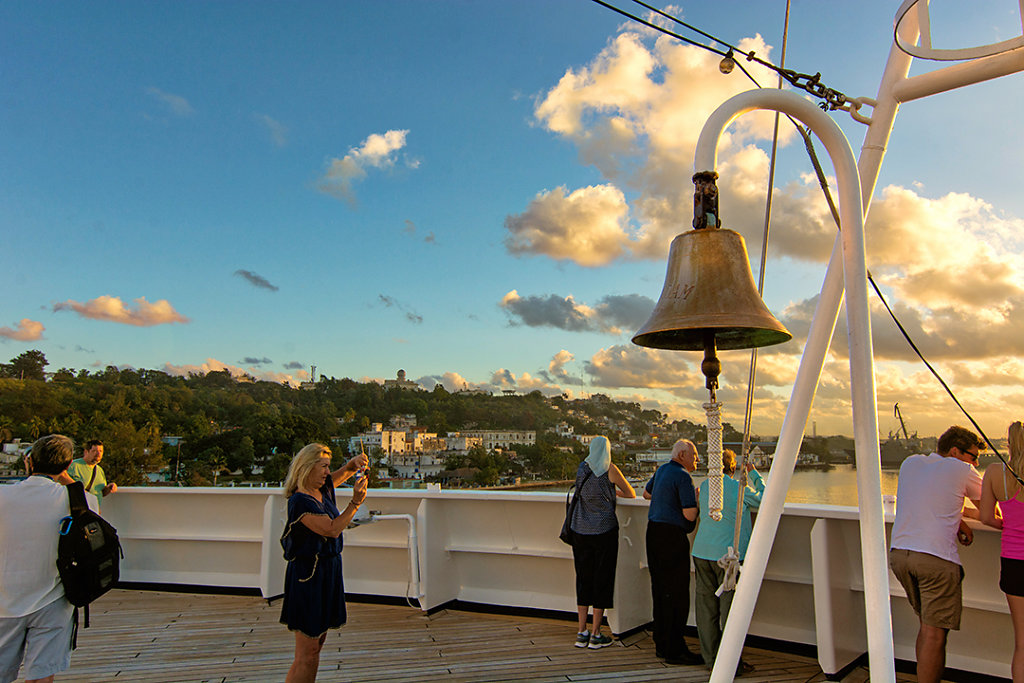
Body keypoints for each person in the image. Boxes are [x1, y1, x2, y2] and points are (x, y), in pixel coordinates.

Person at [889, 425, 984, 683]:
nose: (975, 462)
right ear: (955, 451)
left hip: (900, 555)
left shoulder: (911, 463)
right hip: (934, 560)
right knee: (935, 634)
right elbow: (989, 512)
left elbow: (928, 500)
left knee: (926, 626)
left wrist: (958, 518)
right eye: (972, 456)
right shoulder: (962, 469)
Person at [0, 434, 97, 683]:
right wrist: (67, 478)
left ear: (29, 461)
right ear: (67, 466)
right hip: (53, 598)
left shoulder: (3, 496)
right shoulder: (79, 501)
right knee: (41, 675)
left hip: (4, 600)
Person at [279, 443, 368, 683]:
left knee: (317, 645)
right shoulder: (300, 501)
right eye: (324, 467)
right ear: (307, 468)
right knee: (306, 653)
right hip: (309, 577)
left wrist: (353, 464)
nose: (328, 472)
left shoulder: (322, 489)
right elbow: (332, 529)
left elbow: (340, 475)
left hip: (328, 572)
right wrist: (355, 503)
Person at [692, 449, 764, 675]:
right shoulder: (738, 488)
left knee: (706, 610)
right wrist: (754, 476)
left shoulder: (704, 488)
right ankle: (731, 662)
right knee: (730, 611)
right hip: (728, 558)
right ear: (733, 468)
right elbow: (766, 498)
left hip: (702, 552)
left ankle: (711, 659)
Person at [569, 436, 635, 649]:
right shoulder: (610, 469)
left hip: (580, 530)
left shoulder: (582, 468)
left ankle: (582, 631)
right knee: (602, 579)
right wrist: (612, 491)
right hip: (604, 531)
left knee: (583, 578)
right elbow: (631, 493)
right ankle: (596, 633)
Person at [643, 438, 702, 665]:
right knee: (677, 594)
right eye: (694, 454)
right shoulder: (683, 476)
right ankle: (675, 649)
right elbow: (689, 516)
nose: (697, 459)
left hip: (653, 534)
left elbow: (647, 494)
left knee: (660, 590)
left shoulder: (662, 470)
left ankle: (662, 643)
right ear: (681, 456)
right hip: (671, 539)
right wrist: (695, 500)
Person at [979, 421, 1024, 682]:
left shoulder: (995, 472)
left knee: (1022, 644)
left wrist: (1009, 525)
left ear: (1008, 443)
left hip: (1014, 562)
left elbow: (986, 517)